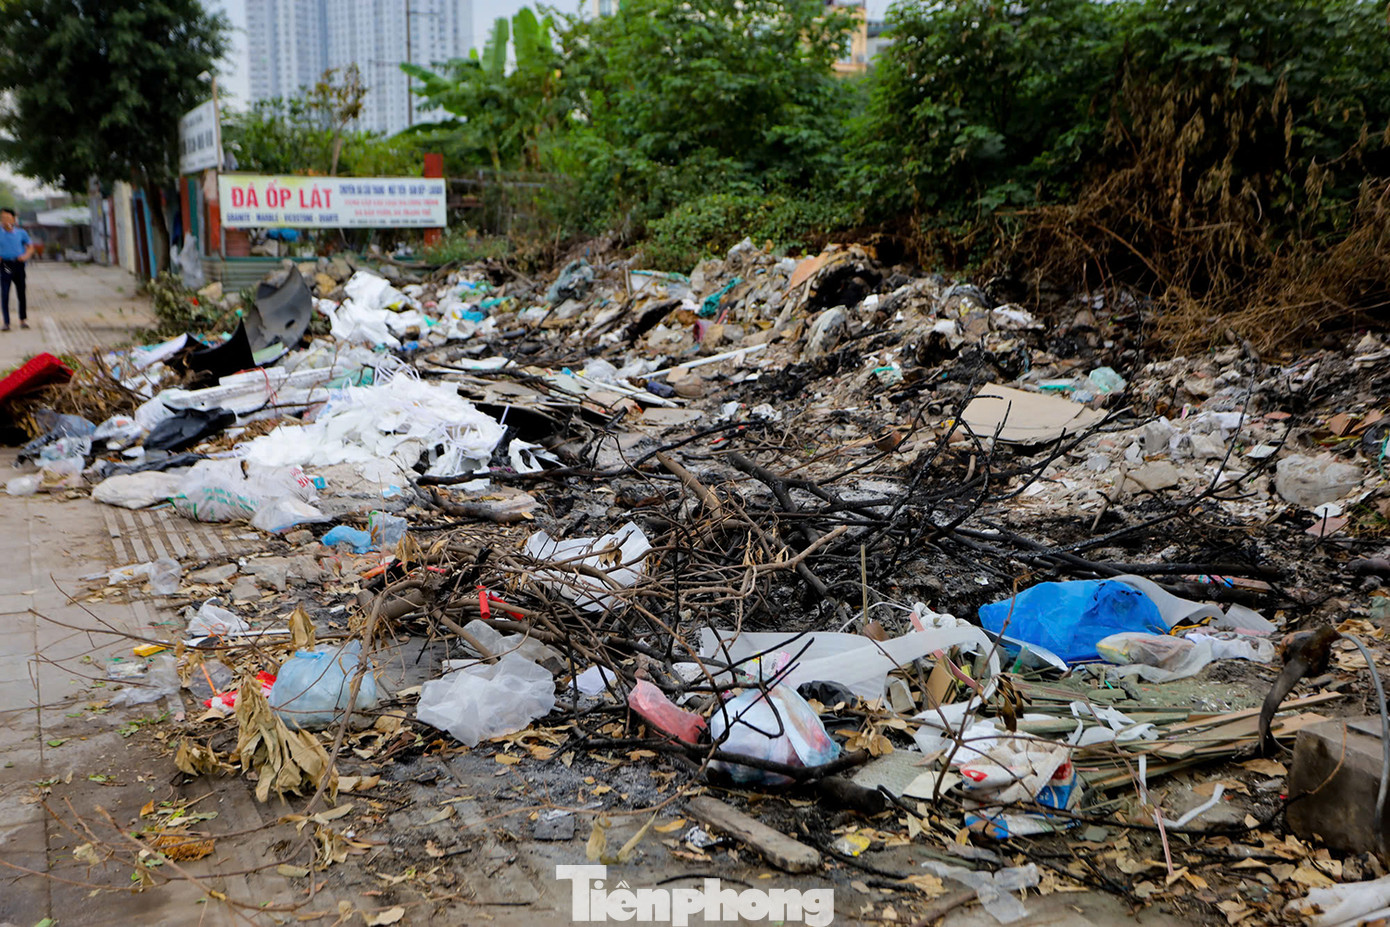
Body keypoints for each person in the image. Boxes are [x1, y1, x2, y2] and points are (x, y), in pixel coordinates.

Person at [0, 207, 34, 331]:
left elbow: (30, 247)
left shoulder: (21, 233)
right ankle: (6, 322)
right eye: (3, 218)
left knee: (21, 292)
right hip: (5, 265)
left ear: (13, 219)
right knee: (5, 293)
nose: (5, 220)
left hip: (18, 264)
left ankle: (23, 320)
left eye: (8, 218)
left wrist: (25, 256)